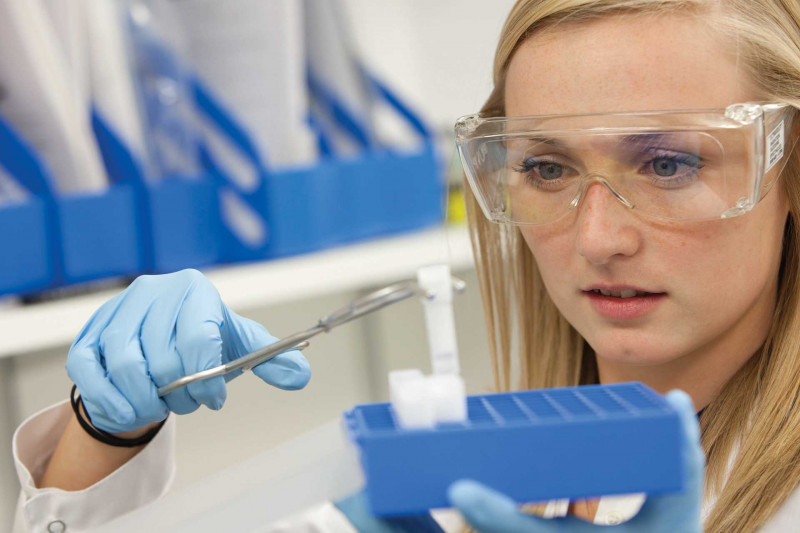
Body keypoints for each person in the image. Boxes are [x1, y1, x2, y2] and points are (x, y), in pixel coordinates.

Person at [11, 0, 800, 531]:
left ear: (788, 168)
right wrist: (102, 434)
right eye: (548, 168)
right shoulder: (472, 474)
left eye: (666, 165)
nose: (598, 237)